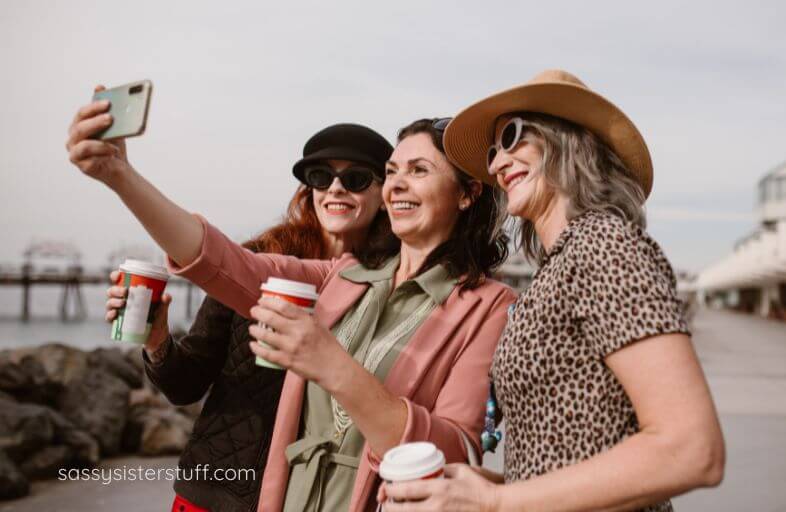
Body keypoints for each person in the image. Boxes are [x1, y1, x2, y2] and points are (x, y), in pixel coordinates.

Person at [66, 99, 516, 512]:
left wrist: (331, 364)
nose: (397, 184)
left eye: (418, 170)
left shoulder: (489, 305)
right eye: (394, 170)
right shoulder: (342, 275)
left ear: (467, 193)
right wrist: (120, 177)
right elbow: (220, 260)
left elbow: (457, 451)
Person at [381, 70, 725, 511]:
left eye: (512, 137)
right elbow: (576, 455)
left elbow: (693, 449)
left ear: (568, 139)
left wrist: (496, 503)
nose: (496, 164)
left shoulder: (603, 245)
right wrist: (489, 489)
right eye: (492, 151)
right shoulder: (559, 265)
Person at [102, 122, 393, 512]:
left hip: (319, 498)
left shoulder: (391, 285)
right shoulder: (255, 261)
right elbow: (185, 385)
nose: (335, 189)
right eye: (321, 177)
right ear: (309, 189)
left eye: (355, 178)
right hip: (218, 491)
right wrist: (157, 341)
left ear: (384, 193)